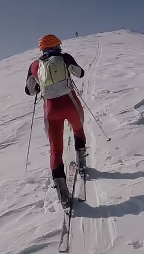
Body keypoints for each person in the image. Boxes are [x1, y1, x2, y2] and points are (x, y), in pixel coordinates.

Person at [24, 34, 87, 208]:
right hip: (70, 103)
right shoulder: (65, 58)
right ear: (58, 45)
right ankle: (82, 164)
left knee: (55, 150)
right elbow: (80, 73)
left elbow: (29, 91)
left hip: (51, 110)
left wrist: (40, 85)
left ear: (41, 49)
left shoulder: (35, 65)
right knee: (78, 130)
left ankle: (63, 196)